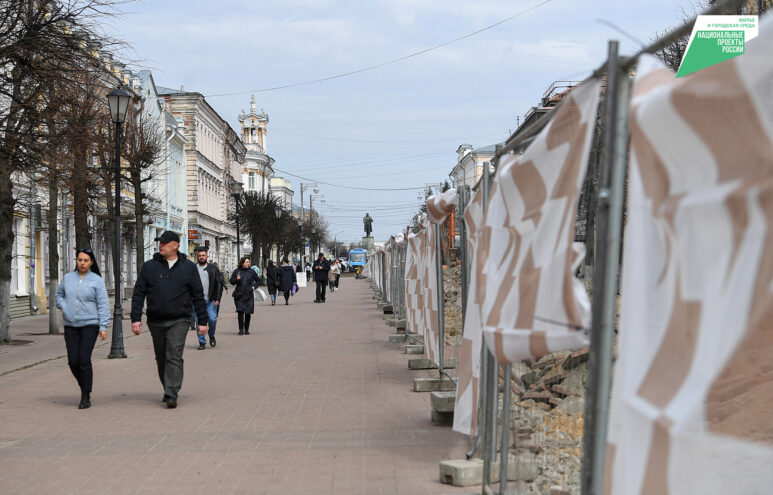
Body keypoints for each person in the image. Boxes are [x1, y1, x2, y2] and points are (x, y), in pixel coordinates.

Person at [131, 231, 208, 409]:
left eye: (165, 243)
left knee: (174, 354)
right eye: (160, 242)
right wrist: (136, 318)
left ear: (175, 245)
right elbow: (139, 292)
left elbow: (197, 295)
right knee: (161, 357)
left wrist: (202, 322)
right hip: (156, 320)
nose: (161, 245)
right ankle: (168, 386)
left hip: (180, 319)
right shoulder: (150, 266)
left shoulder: (188, 267)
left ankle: (171, 393)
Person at [55, 248, 109, 409]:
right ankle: (84, 386)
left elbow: (103, 304)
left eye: (85, 260)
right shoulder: (68, 278)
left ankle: (86, 395)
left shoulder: (96, 280)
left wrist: (103, 326)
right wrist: (64, 306)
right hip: (71, 325)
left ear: (91, 262)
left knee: (84, 359)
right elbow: (59, 295)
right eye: (80, 260)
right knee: (73, 361)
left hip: (90, 325)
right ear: (76, 261)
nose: (82, 263)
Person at [193, 246, 224, 349]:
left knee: (212, 319)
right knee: (199, 322)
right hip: (197, 301)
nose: (201, 257)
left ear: (207, 256)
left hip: (211, 300)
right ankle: (202, 342)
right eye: (199, 256)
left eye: (203, 255)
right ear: (197, 257)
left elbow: (219, 284)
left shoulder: (213, 268)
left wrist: (218, 299)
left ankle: (211, 334)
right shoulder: (193, 269)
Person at [230, 256, 260, 334]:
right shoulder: (237, 271)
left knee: (248, 312)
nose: (248, 263)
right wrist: (237, 279)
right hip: (239, 295)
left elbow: (258, 280)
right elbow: (231, 281)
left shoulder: (252, 271)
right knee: (240, 312)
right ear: (242, 263)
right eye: (246, 262)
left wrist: (254, 287)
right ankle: (241, 329)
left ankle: (246, 329)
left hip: (249, 294)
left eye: (248, 262)